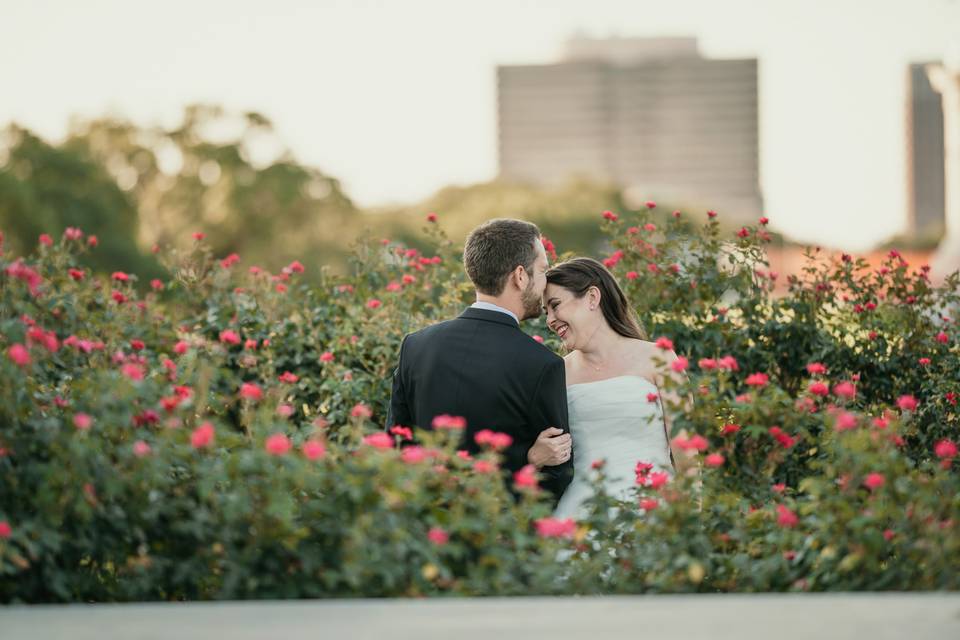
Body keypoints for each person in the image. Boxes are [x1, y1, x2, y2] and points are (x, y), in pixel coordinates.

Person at [387, 218, 574, 504]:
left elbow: (397, 446)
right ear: (520, 276)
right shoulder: (541, 365)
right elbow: (556, 476)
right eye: (543, 270)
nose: (546, 282)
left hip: (423, 528)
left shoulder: (416, 346)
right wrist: (527, 460)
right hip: (499, 535)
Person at [543, 257, 689, 519]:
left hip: (655, 509)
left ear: (592, 297)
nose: (550, 320)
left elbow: (686, 450)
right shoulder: (557, 373)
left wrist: (692, 516)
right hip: (583, 514)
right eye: (546, 312)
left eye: (555, 306)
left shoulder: (659, 358)